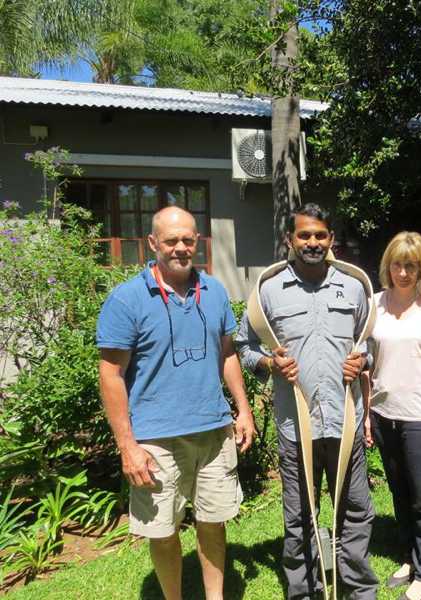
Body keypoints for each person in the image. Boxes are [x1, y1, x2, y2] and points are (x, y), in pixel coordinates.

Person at [96, 206, 255, 600]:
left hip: (214, 432)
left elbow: (228, 353)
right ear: (153, 244)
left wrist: (243, 407)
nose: (181, 248)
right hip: (155, 439)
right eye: (171, 241)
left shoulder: (215, 290)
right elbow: (111, 375)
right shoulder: (127, 299)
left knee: (213, 523)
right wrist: (127, 446)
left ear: (198, 240)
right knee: (163, 531)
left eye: (188, 239)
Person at [236, 203, 379, 600]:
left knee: (355, 511)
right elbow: (244, 345)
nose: (312, 242)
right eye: (304, 235)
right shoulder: (268, 290)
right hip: (295, 427)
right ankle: (305, 592)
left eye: (320, 235)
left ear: (331, 240)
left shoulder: (352, 287)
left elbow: (370, 342)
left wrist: (362, 358)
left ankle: (358, 591)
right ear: (290, 240)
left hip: (344, 422)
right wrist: (268, 362)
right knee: (299, 517)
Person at [366, 231, 421, 600]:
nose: (403, 272)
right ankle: (409, 555)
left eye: (411, 265)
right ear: (388, 265)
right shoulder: (374, 304)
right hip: (383, 412)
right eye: (398, 264)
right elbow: (366, 365)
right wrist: (367, 412)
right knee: (399, 492)